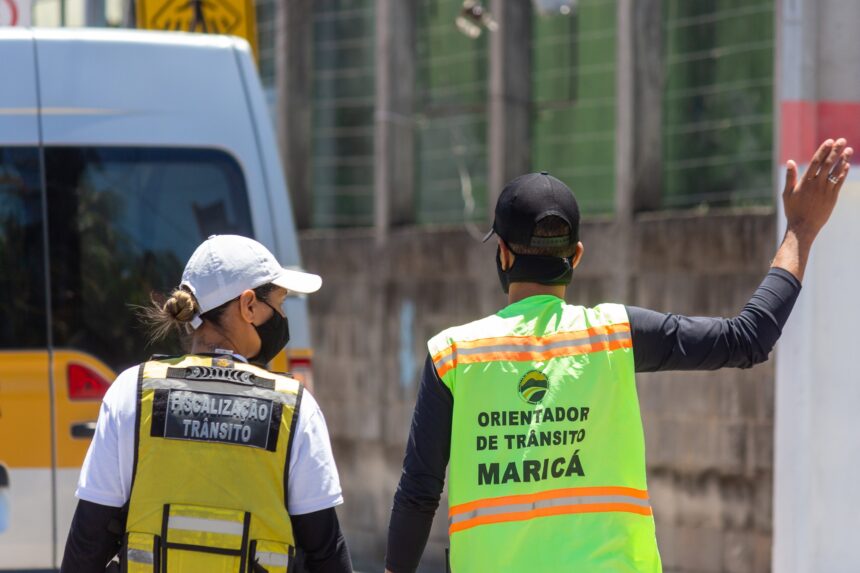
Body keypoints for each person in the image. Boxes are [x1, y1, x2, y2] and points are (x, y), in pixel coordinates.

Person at [384, 139, 853, 572]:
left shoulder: (453, 355)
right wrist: (801, 230)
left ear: (503, 256)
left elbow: (418, 494)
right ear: (577, 256)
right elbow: (747, 338)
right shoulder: (616, 335)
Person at [61, 235, 352, 573]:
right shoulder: (294, 407)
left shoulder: (133, 393)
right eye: (279, 303)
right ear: (248, 306)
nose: (282, 316)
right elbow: (326, 551)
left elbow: (88, 542)